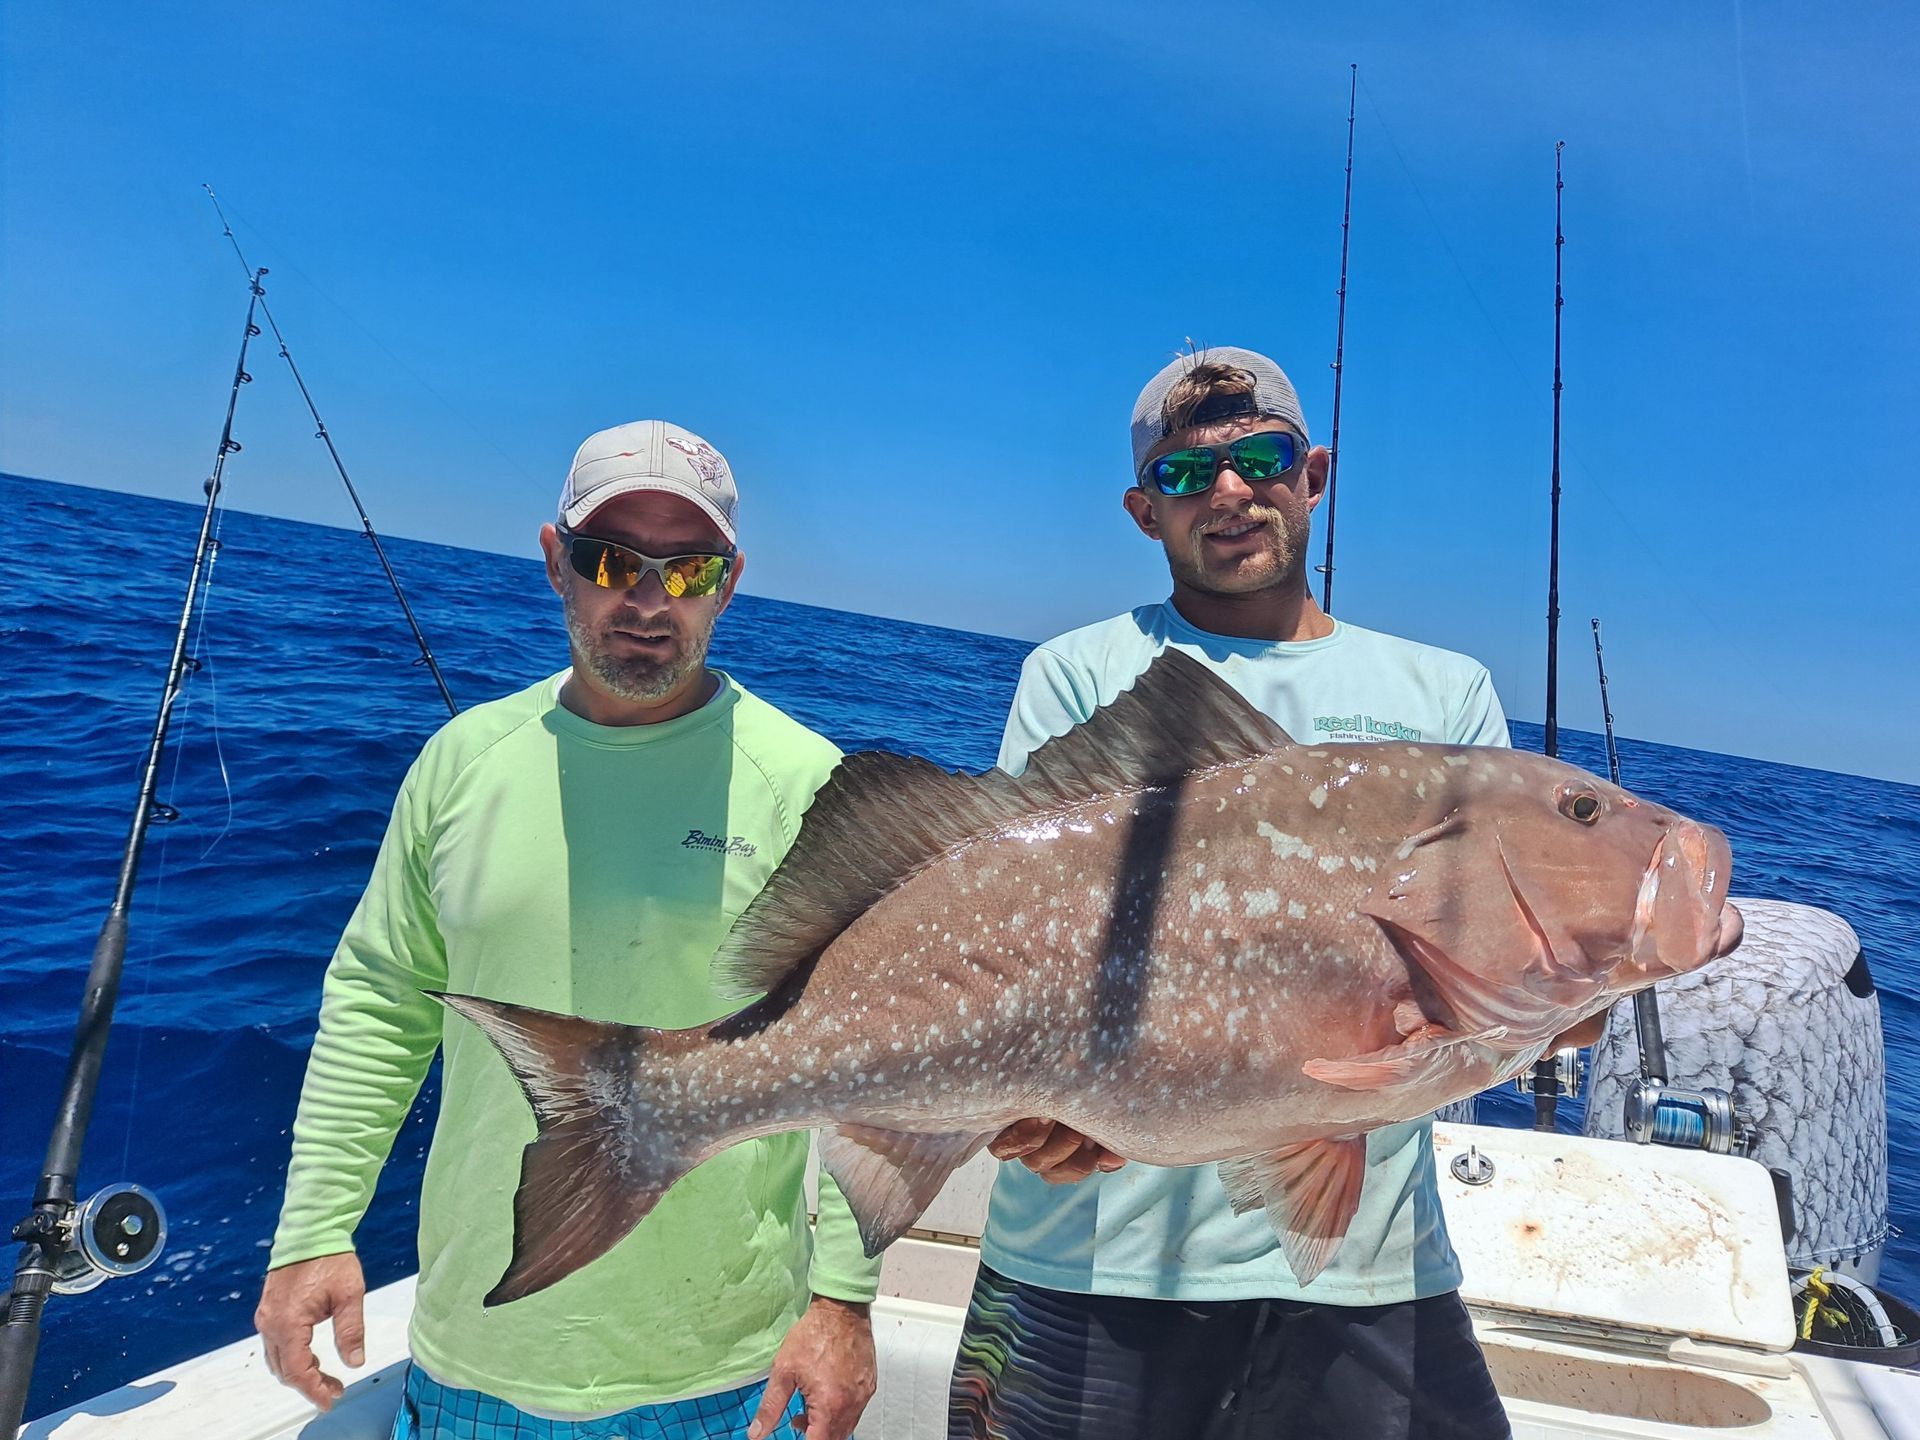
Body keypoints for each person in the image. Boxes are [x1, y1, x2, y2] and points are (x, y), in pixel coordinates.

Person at [949, 346, 1591, 1440]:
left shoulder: (1445, 694)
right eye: (1190, 476)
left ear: (1316, 473)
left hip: (1365, 1270)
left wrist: (1600, 966)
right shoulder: (1077, 673)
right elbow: (1001, 933)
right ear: (1145, 510)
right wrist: (1020, 1102)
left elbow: (1509, 975)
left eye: (1263, 458)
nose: (1233, 492)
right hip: (1085, 1258)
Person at [255, 420, 881, 1440]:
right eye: (609, 562)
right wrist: (316, 1228)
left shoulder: (808, 784)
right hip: (478, 1355)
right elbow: (378, 1002)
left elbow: (871, 1060)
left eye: (687, 571)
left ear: (729, 581)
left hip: (721, 1372)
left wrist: (845, 1299)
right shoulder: (462, 761)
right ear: (555, 561)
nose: (646, 600)